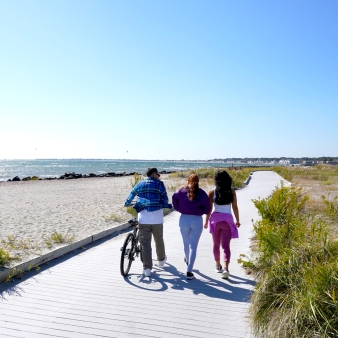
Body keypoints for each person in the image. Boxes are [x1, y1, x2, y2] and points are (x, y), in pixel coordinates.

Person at [124, 168, 172, 277]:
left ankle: (147, 269)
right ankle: (161, 261)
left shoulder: (140, 183)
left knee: (145, 244)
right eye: (158, 175)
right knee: (158, 240)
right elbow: (165, 198)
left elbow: (131, 194)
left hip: (143, 219)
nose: (158, 177)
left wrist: (127, 203)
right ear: (154, 174)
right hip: (157, 219)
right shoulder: (160, 184)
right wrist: (163, 204)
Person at [172, 174, 211, 280]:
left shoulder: (181, 191)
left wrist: (179, 209)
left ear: (188, 180)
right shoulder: (202, 193)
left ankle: (188, 261)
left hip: (184, 219)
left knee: (186, 243)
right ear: (198, 181)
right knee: (193, 246)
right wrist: (201, 211)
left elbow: (174, 199)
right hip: (197, 220)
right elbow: (207, 209)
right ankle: (189, 271)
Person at [204, 170, 240, 279]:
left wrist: (206, 221)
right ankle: (225, 268)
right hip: (227, 221)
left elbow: (209, 210)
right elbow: (235, 207)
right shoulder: (231, 192)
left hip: (215, 221)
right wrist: (237, 220)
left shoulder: (211, 192)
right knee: (225, 246)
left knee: (215, 244)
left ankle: (218, 265)